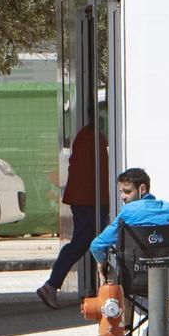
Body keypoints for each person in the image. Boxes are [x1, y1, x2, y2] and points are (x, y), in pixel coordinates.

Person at [36, 112, 109, 309]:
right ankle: (52, 285)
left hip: (83, 199)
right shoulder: (96, 140)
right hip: (92, 200)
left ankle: (52, 285)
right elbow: (101, 172)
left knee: (82, 243)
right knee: (96, 242)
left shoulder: (83, 138)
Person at [89, 167, 169, 265]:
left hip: (134, 280)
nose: (122, 197)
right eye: (121, 192)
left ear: (142, 189)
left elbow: (96, 246)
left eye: (127, 191)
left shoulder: (127, 213)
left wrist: (102, 263)